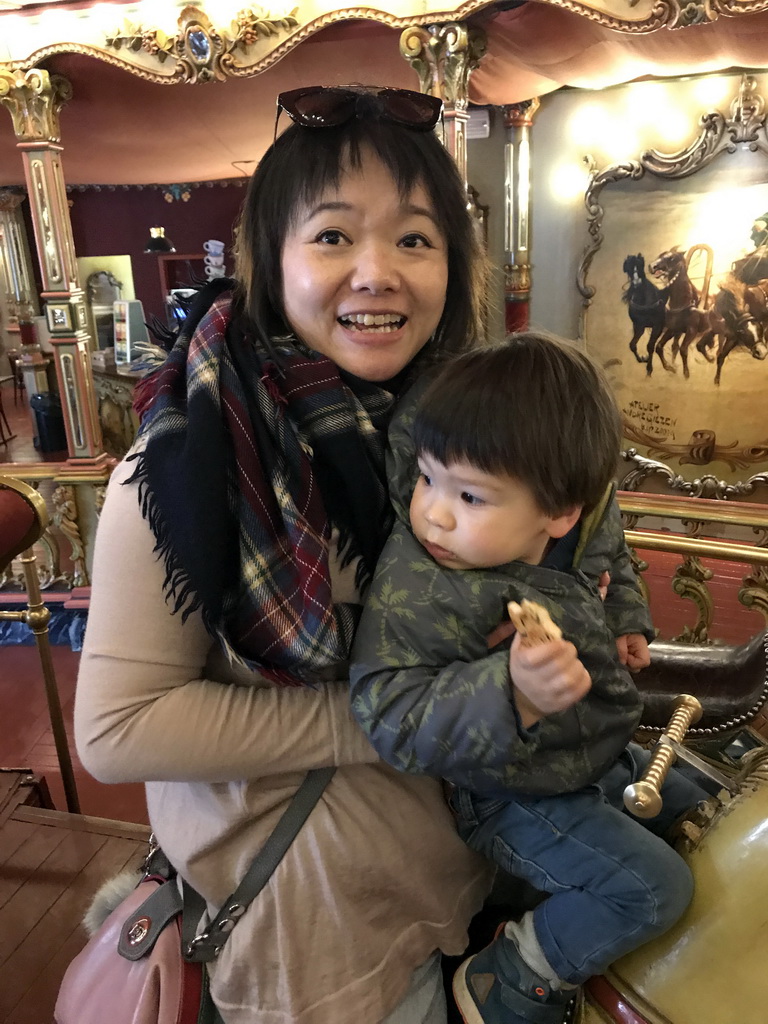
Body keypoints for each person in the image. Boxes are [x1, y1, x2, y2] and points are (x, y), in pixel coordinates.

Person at [74, 85, 496, 1024]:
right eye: (335, 237)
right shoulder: (190, 462)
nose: (378, 272)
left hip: (457, 881)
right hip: (317, 949)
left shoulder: (457, 444)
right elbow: (117, 728)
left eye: (416, 239)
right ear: (272, 261)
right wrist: (387, 721)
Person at [349, 334, 707, 1024]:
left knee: (693, 806)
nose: (434, 512)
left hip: (586, 749)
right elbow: (388, 710)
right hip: (508, 793)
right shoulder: (425, 579)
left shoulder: (574, 505)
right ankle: (514, 973)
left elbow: (606, 532)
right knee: (655, 890)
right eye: (427, 478)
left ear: (558, 511)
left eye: (470, 497)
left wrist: (627, 614)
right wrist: (508, 694)